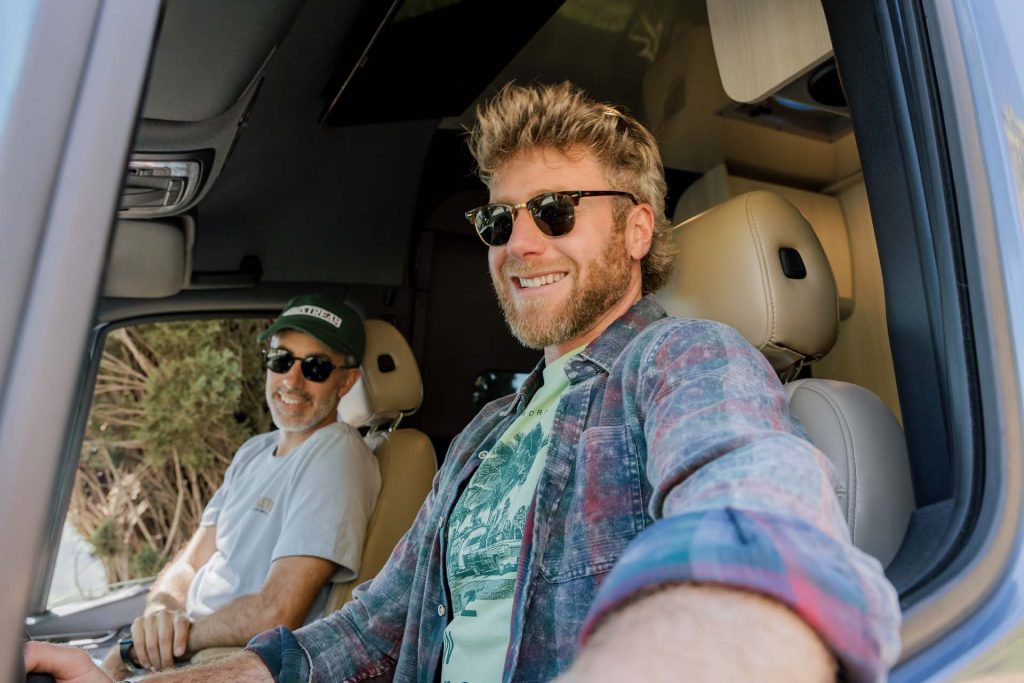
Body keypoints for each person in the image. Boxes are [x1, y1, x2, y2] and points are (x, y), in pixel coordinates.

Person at [28, 83, 899, 683]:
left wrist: (722, 632)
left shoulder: (682, 360)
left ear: (637, 231)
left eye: (555, 211)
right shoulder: (487, 430)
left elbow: (753, 518)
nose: (520, 244)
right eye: (498, 220)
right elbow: (367, 631)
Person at [99, 294, 381, 678]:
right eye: (281, 360)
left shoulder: (337, 454)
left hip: (233, 661)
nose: (291, 380)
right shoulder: (254, 450)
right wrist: (160, 614)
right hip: (191, 649)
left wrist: (166, 641)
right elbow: (190, 562)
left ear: (347, 380)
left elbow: (276, 611)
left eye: (316, 367)